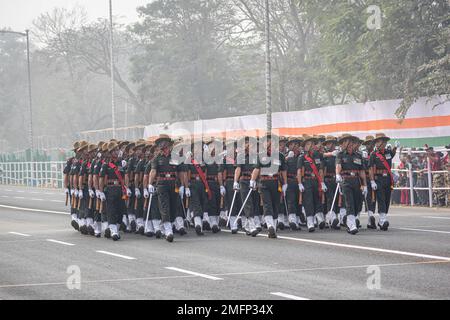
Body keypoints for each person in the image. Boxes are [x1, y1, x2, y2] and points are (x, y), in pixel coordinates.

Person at [147, 134, 187, 242]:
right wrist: (150, 184)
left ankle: (166, 227)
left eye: (163, 142)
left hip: (173, 184)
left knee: (173, 207)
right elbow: (153, 171)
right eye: (159, 142)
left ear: (168, 144)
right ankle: (169, 231)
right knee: (164, 207)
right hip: (162, 184)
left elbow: (181, 172)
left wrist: (183, 186)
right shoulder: (156, 158)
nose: (161, 144)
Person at [250, 134, 287, 239]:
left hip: (276, 182)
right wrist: (252, 180)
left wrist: (285, 183)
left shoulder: (280, 156)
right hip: (264, 182)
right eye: (269, 142)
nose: (271, 144)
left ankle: (273, 228)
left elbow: (283, 170)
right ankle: (270, 225)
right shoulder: (261, 155)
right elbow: (257, 169)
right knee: (267, 204)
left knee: (276, 205)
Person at [335, 134, 367, 235]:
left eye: (351, 142)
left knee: (357, 203)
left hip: (356, 181)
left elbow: (361, 171)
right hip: (346, 180)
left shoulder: (358, 156)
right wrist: (337, 175)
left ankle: (351, 220)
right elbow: (338, 165)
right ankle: (351, 224)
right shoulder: (340, 154)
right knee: (349, 202)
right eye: (347, 142)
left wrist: (365, 185)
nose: (349, 144)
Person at [368, 133, 399, 231]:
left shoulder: (388, 152)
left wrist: (396, 147)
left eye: (382, 141)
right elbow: (370, 169)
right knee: (381, 198)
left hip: (388, 179)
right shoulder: (373, 155)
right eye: (378, 141)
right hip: (379, 178)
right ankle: (382, 219)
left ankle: (383, 217)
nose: (381, 143)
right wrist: (372, 181)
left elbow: (393, 154)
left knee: (387, 199)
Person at [98, 141, 127, 241]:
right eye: (114, 150)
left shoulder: (121, 163)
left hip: (120, 189)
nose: (116, 152)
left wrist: (125, 187)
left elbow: (123, 177)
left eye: (117, 149)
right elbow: (101, 179)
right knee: (111, 210)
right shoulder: (106, 165)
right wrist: (101, 191)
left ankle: (116, 229)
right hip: (110, 189)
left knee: (121, 210)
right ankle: (114, 230)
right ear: (110, 153)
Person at [297, 135, 326, 232]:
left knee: (317, 199)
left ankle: (320, 218)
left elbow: (321, 170)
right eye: (309, 144)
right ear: (305, 146)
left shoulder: (318, 156)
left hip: (316, 180)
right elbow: (299, 171)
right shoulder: (302, 157)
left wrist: (322, 182)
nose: (311, 146)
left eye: (313, 144)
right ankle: (310, 222)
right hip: (307, 180)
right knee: (308, 201)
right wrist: (300, 183)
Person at [285, 136, 304, 230]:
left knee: (299, 201)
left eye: (297, 144)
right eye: (293, 144)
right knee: (291, 200)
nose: (295, 146)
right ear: (289, 146)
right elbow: (280, 166)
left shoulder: (302, 156)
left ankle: (297, 220)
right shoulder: (286, 155)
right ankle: (292, 220)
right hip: (290, 180)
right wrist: (287, 157)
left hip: (300, 180)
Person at [322, 135, 340, 229]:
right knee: (329, 198)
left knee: (337, 200)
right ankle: (331, 218)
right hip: (327, 178)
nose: (329, 145)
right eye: (328, 143)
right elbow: (320, 155)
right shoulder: (324, 153)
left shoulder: (338, 153)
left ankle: (335, 219)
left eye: (331, 143)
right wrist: (330, 154)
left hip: (336, 179)